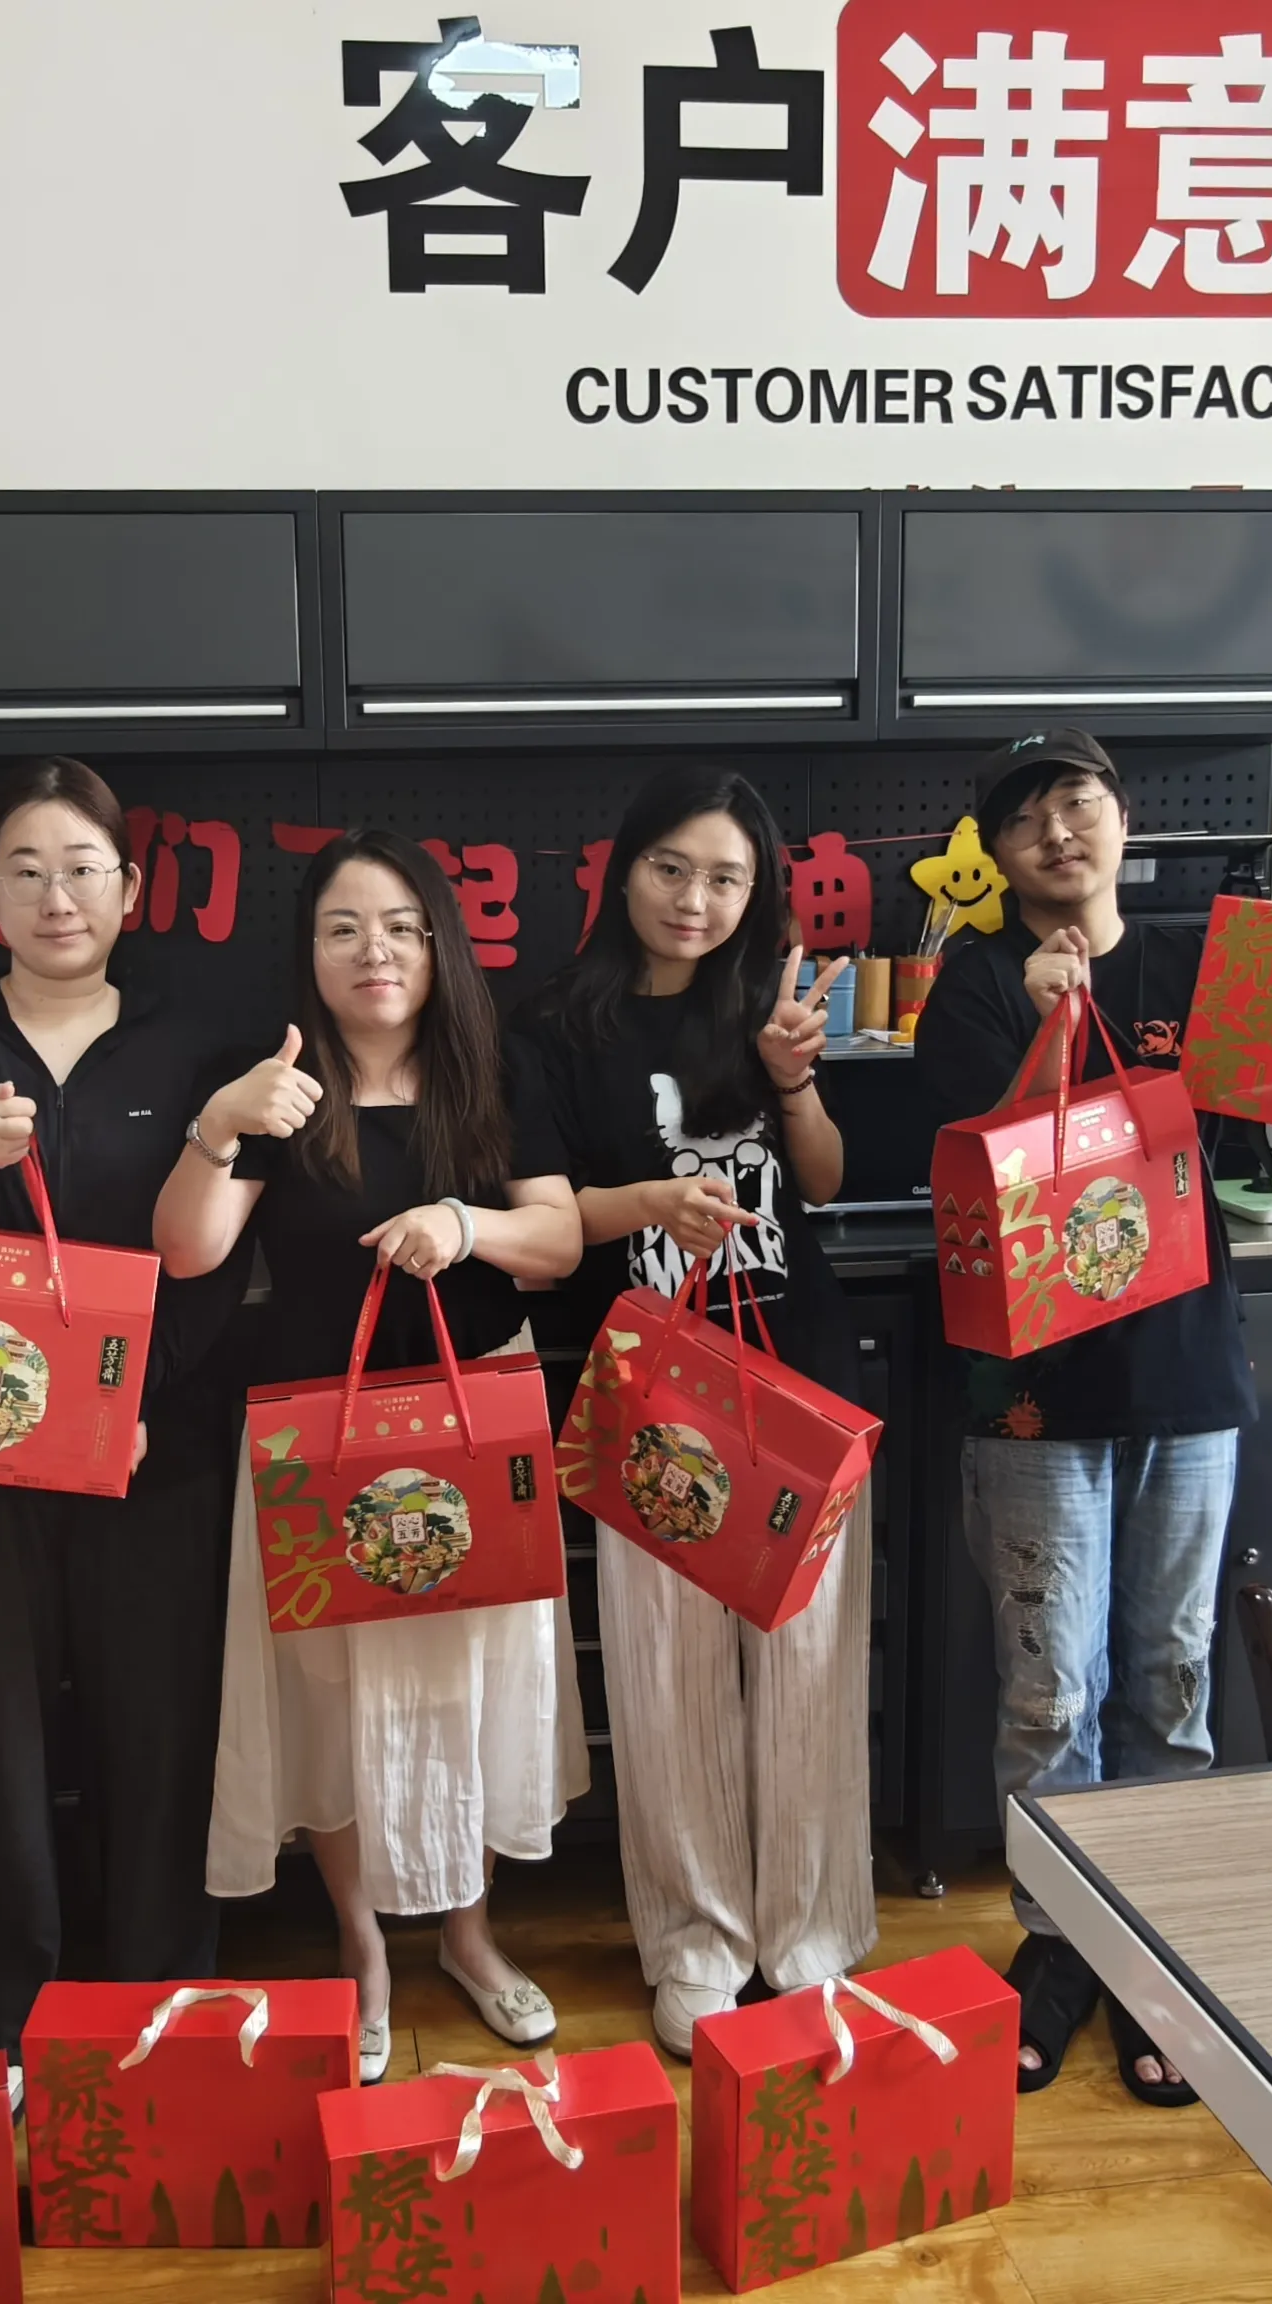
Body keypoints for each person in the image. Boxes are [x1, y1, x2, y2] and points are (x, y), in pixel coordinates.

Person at [912, 728, 1272, 2104]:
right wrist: (1041, 1025)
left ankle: (1159, 1943)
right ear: (995, 853)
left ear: (1122, 818)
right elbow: (972, 1165)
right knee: (1047, 1689)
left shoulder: (1204, 964)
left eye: (1077, 803)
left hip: (1185, 1373)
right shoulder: (971, 985)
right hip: (1031, 1393)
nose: (1056, 833)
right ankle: (1060, 1940)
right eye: (1025, 818)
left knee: (1171, 1674)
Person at [154, 831, 587, 2080]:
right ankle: (361, 1945)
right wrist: (216, 1128)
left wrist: (463, 1223)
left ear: (438, 943)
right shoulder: (277, 1083)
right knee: (332, 1699)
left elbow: (558, 1243)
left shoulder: (496, 1071)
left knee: (477, 1687)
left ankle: (469, 1933)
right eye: (342, 929)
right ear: (308, 954)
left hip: (476, 1424)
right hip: (320, 1439)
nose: (373, 952)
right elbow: (186, 1251)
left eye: (400, 926)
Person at [0, 758, 259, 2055]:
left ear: (131, 888)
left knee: (159, 1732)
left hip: (155, 1448)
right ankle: (9, 2018)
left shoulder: (194, 1046)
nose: (56, 897)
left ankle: (155, 2005)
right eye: (24, 872)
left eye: (82, 869)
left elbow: (219, 1257)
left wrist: (133, 1398)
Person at [507, 766, 873, 2061]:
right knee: (669, 1687)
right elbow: (547, 1220)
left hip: (798, 1380)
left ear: (756, 891)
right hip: (654, 1391)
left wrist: (794, 1083)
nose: (695, 900)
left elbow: (820, 1184)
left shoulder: (770, 1003)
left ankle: (812, 1937)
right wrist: (650, 1206)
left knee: (808, 1676)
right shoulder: (554, 1023)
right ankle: (696, 1944)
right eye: (672, 868)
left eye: (726, 878)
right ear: (624, 870)